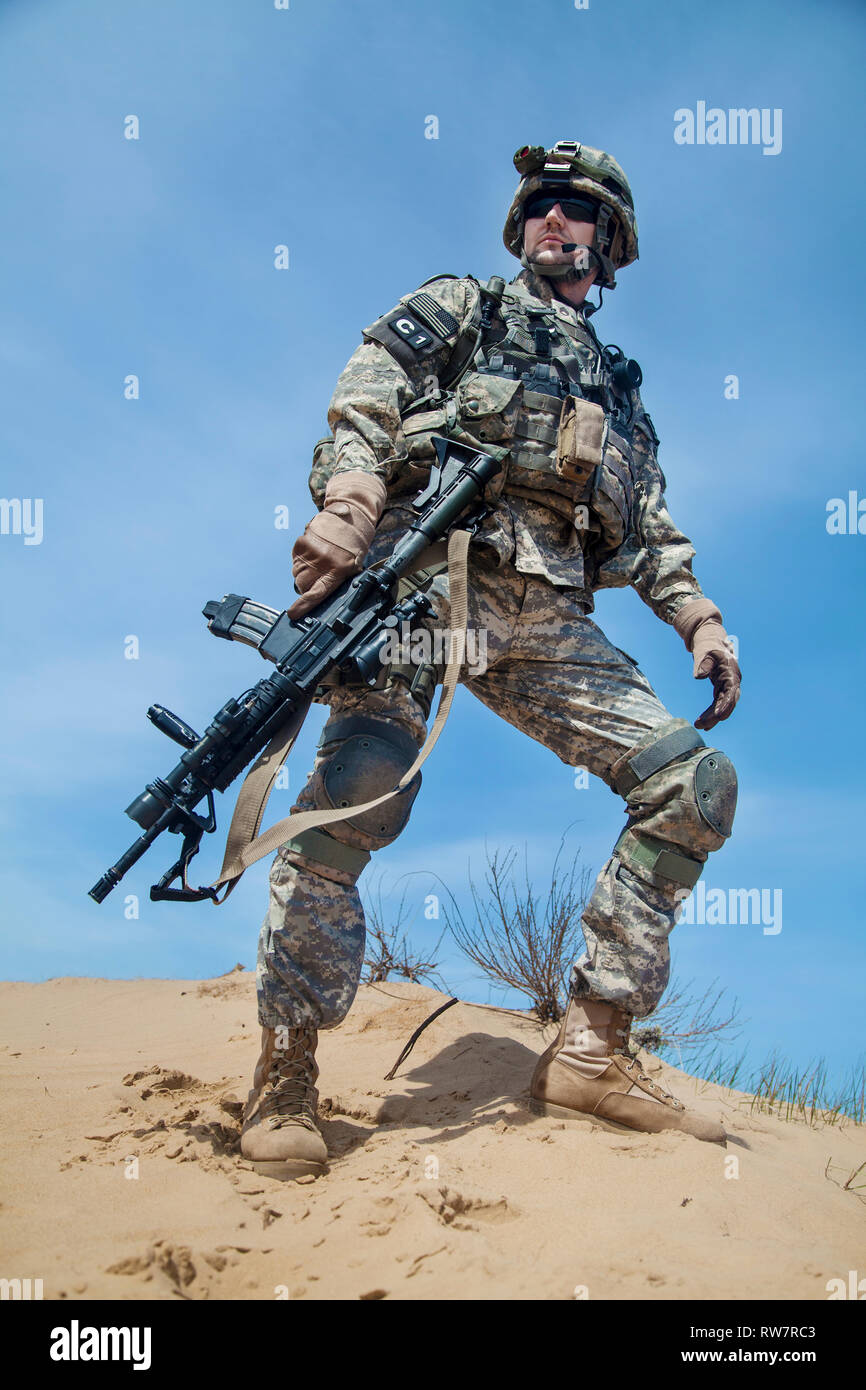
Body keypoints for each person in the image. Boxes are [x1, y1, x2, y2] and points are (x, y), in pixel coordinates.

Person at [240, 141, 741, 1178]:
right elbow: (366, 397)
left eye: (575, 209)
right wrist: (347, 506)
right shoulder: (463, 306)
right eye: (541, 208)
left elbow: (644, 529)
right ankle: (285, 1063)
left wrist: (695, 616)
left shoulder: (620, 394)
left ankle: (592, 1048)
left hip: (543, 617)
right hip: (423, 580)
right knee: (361, 788)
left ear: (608, 241)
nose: (553, 220)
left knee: (691, 785)